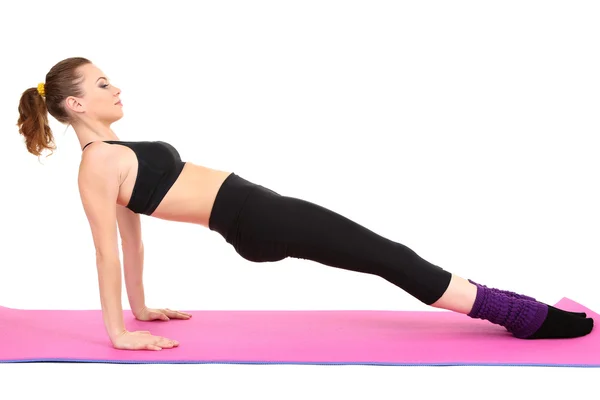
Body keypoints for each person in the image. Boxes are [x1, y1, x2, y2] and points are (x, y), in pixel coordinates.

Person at [16, 57, 594, 351]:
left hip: (258, 212)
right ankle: (523, 317)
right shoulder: (97, 163)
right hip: (256, 216)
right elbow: (107, 252)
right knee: (390, 255)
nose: (115, 88)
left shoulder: (112, 152)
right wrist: (119, 332)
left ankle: (517, 311)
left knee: (385, 253)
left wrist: (143, 310)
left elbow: (133, 235)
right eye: (101, 84)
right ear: (74, 103)